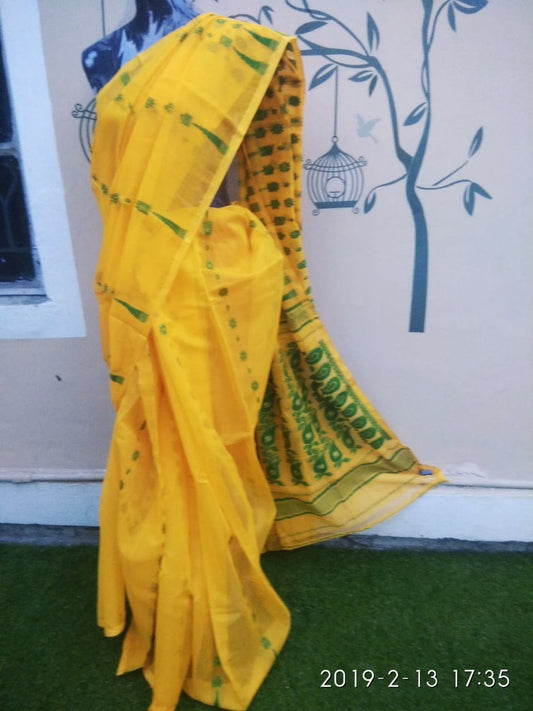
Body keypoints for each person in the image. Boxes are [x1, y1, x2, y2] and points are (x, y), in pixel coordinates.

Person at [90, 12, 445, 711]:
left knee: (210, 441)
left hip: (207, 277)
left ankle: (205, 597)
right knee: (162, 444)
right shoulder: (108, 56)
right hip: (148, 283)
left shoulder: (224, 52)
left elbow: (246, 176)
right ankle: (178, 600)